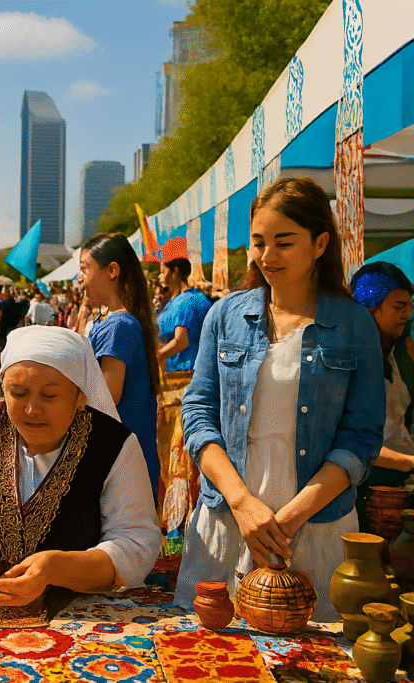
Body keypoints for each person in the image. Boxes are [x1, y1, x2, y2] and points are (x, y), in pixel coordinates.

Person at [173, 177, 384, 622]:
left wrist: (287, 520)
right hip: (227, 523)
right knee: (212, 658)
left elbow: (361, 436)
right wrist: (244, 505)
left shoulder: (355, 325)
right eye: (258, 242)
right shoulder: (225, 316)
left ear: (320, 242)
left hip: (316, 529)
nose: (266, 257)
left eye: (283, 243)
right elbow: (197, 414)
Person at [0, 326, 160, 604]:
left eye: (49, 396)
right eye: (18, 393)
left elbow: (137, 542)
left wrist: (56, 569)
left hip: (71, 616)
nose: (32, 409)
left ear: (81, 396)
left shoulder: (114, 445)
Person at [79, 233, 161, 503]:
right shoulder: (112, 322)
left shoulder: (119, 326)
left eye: (85, 269)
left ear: (112, 271)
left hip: (121, 461)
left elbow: (106, 397)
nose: (80, 279)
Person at [348, 262, 414, 529]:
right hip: (366, 490)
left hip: (400, 482)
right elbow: (353, 439)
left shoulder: (396, 356)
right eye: (400, 307)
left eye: (410, 306)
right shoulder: (351, 360)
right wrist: (409, 462)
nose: (408, 314)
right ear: (371, 307)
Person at [156, 258, 212, 372]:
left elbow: (181, 341)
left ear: (175, 271)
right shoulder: (195, 297)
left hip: (184, 372)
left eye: (163, 271)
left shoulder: (183, 302)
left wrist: (156, 358)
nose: (159, 276)